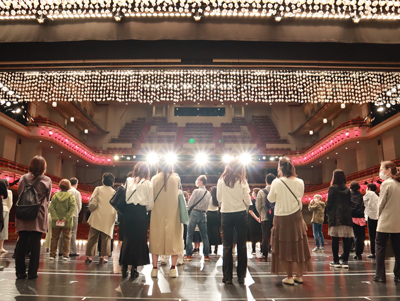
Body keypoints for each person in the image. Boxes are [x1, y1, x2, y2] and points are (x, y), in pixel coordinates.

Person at [268, 156, 311, 285]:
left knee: (284, 246)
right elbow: (300, 197)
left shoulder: (276, 182)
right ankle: (299, 275)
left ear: (280, 168)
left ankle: (289, 276)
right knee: (298, 245)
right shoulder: (300, 182)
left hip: (281, 217)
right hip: (297, 216)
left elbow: (271, 199)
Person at [15, 156, 52, 280]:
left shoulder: (23, 178)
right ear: (43, 167)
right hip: (38, 213)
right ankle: (32, 273)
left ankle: (20, 272)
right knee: (35, 243)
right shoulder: (46, 180)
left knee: (22, 241)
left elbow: (20, 194)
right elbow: (47, 198)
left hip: (23, 212)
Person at [217, 158, 251, 284]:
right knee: (242, 245)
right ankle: (241, 276)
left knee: (227, 246)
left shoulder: (221, 180)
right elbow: (247, 200)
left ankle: (227, 277)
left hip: (226, 213)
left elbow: (219, 198)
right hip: (240, 213)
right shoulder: (242, 180)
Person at [120, 162, 154, 279]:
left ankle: (124, 266)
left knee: (127, 239)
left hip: (128, 212)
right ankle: (134, 268)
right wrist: (145, 209)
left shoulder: (128, 180)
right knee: (138, 240)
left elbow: (124, 197)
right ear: (147, 171)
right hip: (140, 212)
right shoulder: (148, 183)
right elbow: (150, 204)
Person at [149, 160, 183, 278]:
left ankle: (154, 269)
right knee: (174, 239)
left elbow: (151, 196)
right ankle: (173, 269)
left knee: (156, 239)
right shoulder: (176, 178)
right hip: (173, 213)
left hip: (157, 213)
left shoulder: (154, 178)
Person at [373, 161, 400, 283]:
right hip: (397, 222)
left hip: (385, 221)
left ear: (389, 170)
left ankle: (380, 275)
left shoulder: (386, 184)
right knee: (398, 249)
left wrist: (377, 217)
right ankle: (398, 274)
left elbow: (380, 204)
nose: (380, 172)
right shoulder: (398, 184)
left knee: (380, 248)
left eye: (381, 169)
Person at [85, 173, 116, 264]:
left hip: (97, 215)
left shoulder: (98, 189)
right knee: (105, 238)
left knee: (92, 237)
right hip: (108, 217)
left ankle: (88, 256)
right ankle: (102, 256)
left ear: (103, 180)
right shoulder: (114, 192)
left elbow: (92, 201)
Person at [326, 169, 353, 269]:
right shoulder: (347, 189)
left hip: (335, 217)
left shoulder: (332, 189)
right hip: (346, 217)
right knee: (346, 240)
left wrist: (329, 215)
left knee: (335, 239)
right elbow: (350, 203)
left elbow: (329, 205)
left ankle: (336, 261)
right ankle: (345, 261)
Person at [185, 175, 211, 261]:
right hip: (203, 214)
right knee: (204, 236)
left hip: (194, 213)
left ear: (201, 182)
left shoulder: (196, 191)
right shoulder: (208, 193)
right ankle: (206, 255)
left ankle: (188, 254)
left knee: (189, 235)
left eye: (197, 180)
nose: (196, 181)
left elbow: (190, 203)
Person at [49, 179, 76, 261]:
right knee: (67, 238)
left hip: (55, 221)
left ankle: (52, 254)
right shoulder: (71, 197)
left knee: (54, 238)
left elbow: (51, 207)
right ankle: (65, 255)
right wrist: (65, 219)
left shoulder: (54, 196)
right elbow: (72, 209)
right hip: (67, 222)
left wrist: (56, 218)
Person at [58, 177, 82, 257]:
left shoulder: (64, 191)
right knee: (72, 233)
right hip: (74, 215)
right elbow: (79, 205)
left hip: (64, 214)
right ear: (76, 184)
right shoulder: (76, 192)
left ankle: (61, 250)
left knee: (62, 232)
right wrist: (77, 212)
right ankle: (72, 251)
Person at [256, 173, 276, 260]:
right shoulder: (276, 190)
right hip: (276, 217)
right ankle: (276, 252)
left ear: (266, 181)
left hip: (265, 217)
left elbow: (258, 206)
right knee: (276, 235)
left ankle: (265, 253)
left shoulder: (261, 192)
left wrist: (261, 212)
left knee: (265, 236)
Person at [350, 181, 366, 260]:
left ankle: (352, 250)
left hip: (352, 217)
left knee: (353, 236)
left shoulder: (349, 194)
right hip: (361, 218)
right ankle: (359, 253)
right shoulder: (360, 195)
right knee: (360, 237)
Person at [363, 183, 379, 259]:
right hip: (377, 216)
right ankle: (377, 252)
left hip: (370, 216)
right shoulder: (376, 196)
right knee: (376, 235)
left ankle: (373, 252)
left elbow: (362, 200)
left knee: (371, 236)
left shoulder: (369, 193)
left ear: (369, 188)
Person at [207, 186, 221, 255]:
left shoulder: (209, 198)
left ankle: (209, 248)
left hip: (209, 214)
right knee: (216, 231)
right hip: (216, 214)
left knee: (208, 231)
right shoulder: (218, 198)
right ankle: (216, 248)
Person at [248, 188, 262, 255]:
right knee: (261, 235)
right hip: (261, 219)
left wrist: (256, 218)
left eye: (253, 192)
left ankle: (253, 250)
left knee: (253, 235)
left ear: (255, 193)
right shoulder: (262, 201)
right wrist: (260, 218)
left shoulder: (252, 201)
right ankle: (262, 249)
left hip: (253, 220)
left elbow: (250, 211)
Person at [0, 180, 12, 254]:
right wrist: (8, 210)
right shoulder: (9, 192)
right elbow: (10, 203)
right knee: (3, 229)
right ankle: (1, 247)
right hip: (5, 210)